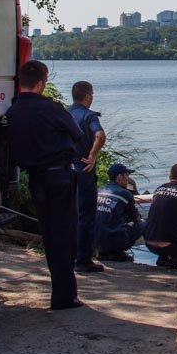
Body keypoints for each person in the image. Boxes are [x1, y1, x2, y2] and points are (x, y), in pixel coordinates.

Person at [5, 60, 84, 310]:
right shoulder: (51, 108)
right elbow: (77, 133)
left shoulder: (13, 111)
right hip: (59, 175)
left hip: (36, 178)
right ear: (41, 83)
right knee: (64, 235)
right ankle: (64, 295)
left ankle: (62, 291)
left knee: (49, 235)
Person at [68, 81, 107, 274]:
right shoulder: (89, 116)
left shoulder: (66, 113)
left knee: (70, 213)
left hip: (66, 168)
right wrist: (92, 155)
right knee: (86, 214)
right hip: (84, 168)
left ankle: (69, 255)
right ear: (88, 96)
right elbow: (100, 135)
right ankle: (83, 259)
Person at [94, 163, 146, 261]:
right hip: (113, 240)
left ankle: (103, 252)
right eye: (126, 175)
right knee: (141, 224)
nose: (128, 179)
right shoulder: (124, 193)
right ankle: (117, 252)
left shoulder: (99, 190)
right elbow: (135, 218)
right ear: (119, 177)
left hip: (95, 239)